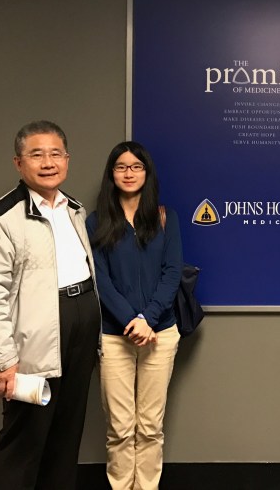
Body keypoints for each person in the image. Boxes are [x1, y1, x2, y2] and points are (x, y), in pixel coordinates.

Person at [0, 120, 101, 490]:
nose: (48, 163)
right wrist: (1, 359)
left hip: (81, 329)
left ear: (67, 160)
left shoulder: (73, 209)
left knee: (66, 434)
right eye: (36, 154)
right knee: (25, 440)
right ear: (18, 163)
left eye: (56, 154)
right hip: (34, 338)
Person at [86, 141, 182, 490]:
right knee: (120, 427)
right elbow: (100, 279)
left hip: (160, 333)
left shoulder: (165, 218)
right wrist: (131, 320)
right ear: (111, 174)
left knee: (150, 426)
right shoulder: (96, 222)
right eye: (121, 166)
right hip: (115, 335)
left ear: (146, 172)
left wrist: (148, 319)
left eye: (136, 166)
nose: (129, 173)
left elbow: (172, 273)